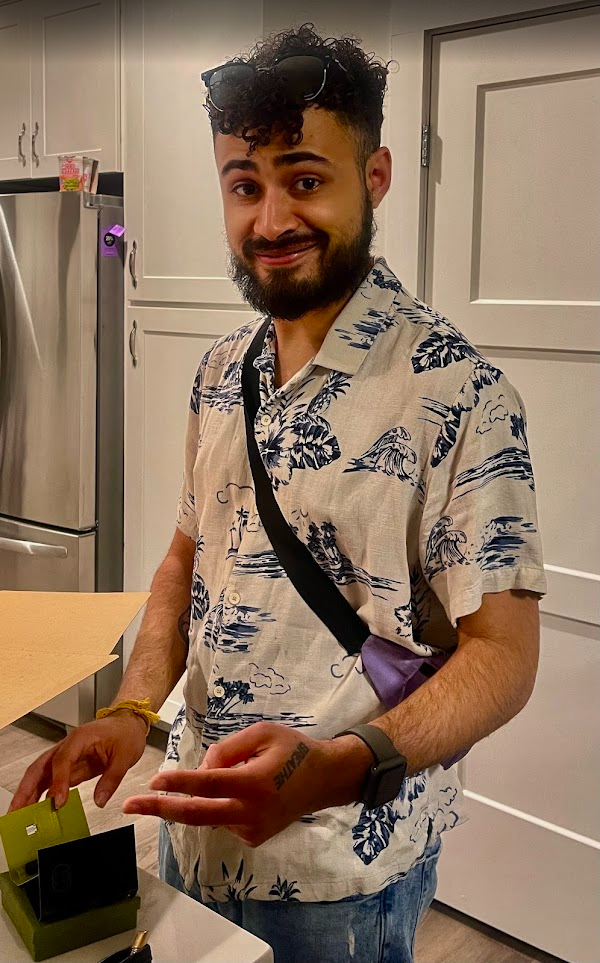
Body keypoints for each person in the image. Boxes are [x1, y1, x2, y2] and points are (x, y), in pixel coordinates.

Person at [11, 24, 546, 963]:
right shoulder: (222, 371)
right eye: (244, 185)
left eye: (305, 179)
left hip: (338, 867)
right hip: (194, 828)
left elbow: (504, 657)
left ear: (374, 176)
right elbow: (187, 558)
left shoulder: (459, 394)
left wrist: (338, 767)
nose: (269, 220)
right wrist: (131, 712)